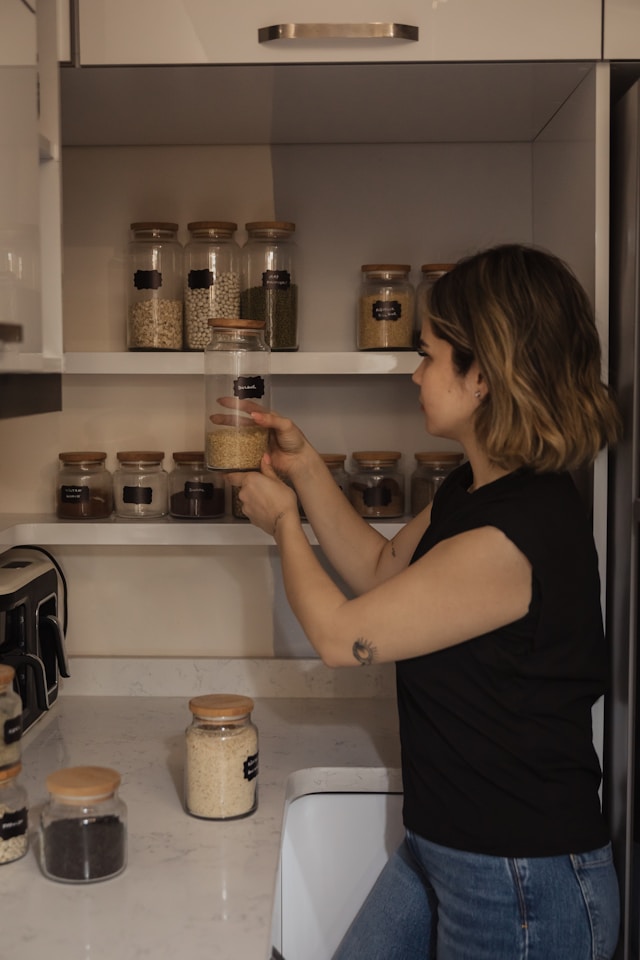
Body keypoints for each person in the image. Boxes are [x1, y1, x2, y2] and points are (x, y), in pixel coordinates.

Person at [227, 243, 622, 960]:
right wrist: (306, 466)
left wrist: (284, 522)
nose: (416, 372)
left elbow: (341, 638)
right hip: (450, 850)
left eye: (432, 355)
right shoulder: (475, 493)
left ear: (485, 376)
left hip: (523, 885)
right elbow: (380, 570)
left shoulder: (517, 534)